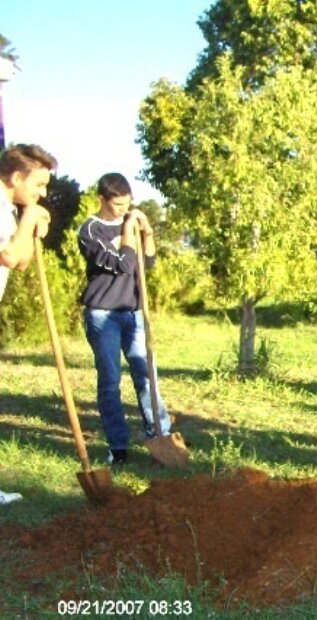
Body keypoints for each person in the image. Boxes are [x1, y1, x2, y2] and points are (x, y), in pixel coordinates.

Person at [77, 173, 172, 465]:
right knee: (110, 380)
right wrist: (129, 229)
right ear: (102, 199)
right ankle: (117, 447)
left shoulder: (130, 222)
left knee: (146, 375)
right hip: (103, 314)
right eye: (118, 204)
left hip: (133, 312)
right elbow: (123, 264)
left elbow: (147, 262)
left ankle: (161, 435)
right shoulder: (90, 230)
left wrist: (148, 232)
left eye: (127, 204)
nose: (123, 210)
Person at [0, 144, 56, 505]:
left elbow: (19, 262)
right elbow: (8, 255)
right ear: (17, 177)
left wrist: (32, 224)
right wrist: (31, 214)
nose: (43, 193)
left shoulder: (8, 210)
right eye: (39, 184)